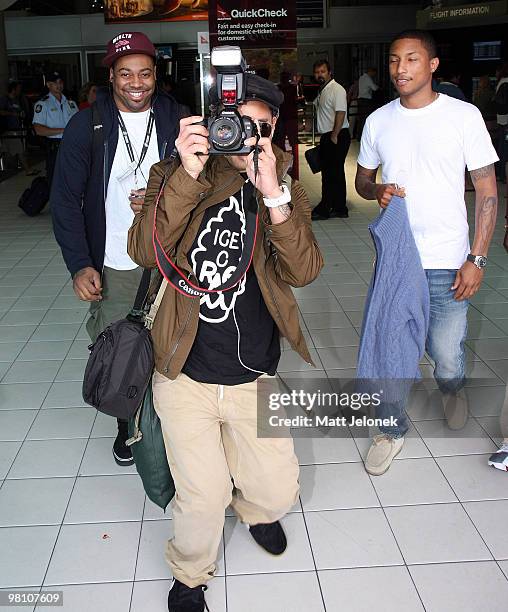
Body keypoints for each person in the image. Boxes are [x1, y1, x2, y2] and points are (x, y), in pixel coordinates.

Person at [127, 72, 323, 612]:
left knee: (278, 491)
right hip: (184, 370)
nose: (248, 140)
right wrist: (186, 176)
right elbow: (143, 250)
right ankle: (190, 577)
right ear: (215, 126)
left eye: (260, 128)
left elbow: (303, 270)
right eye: (237, 126)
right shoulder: (176, 170)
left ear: (275, 127)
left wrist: (274, 197)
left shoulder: (283, 180)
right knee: (202, 497)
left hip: (254, 371)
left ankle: (255, 511)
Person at [355, 29, 499, 476]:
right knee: (392, 348)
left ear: (432, 65)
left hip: (448, 258)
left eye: (412, 59)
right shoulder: (379, 120)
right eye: (395, 60)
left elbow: (488, 191)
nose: (400, 69)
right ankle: (390, 429)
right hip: (397, 258)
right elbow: (362, 181)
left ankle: (452, 388)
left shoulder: (464, 116)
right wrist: (377, 189)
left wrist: (476, 258)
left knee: (446, 352)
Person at [51, 32, 182, 467]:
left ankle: (173, 426)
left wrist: (161, 198)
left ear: (155, 75)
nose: (136, 82)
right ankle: (126, 425)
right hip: (113, 260)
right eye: (125, 73)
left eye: (144, 72)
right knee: (117, 348)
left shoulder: (177, 119)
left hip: (170, 259)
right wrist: (79, 264)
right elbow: (66, 201)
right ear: (111, 76)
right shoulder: (85, 125)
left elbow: (199, 185)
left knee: (173, 346)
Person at [311, 59, 350, 220]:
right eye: (317, 72)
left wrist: (334, 135)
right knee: (334, 173)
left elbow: (340, 112)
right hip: (329, 135)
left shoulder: (337, 89)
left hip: (337, 135)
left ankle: (325, 209)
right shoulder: (324, 90)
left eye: (322, 71)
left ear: (329, 72)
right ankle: (339, 207)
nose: (320, 75)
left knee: (330, 174)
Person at [32, 72, 78, 187]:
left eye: (60, 82)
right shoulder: (43, 104)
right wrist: (63, 130)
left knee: (74, 176)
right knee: (55, 179)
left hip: (72, 144)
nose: (59, 85)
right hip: (55, 146)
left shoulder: (71, 103)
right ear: (48, 85)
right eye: (54, 83)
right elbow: (39, 130)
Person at [0, 81, 38, 176]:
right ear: (13, 89)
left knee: (9, 150)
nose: (19, 91)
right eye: (18, 89)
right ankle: (27, 169)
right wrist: (13, 114)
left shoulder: (16, 100)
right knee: (19, 149)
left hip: (16, 129)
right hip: (8, 130)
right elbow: (1, 112)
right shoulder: (5, 100)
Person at [495, 62, 508, 183]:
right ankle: (503, 175)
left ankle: (501, 174)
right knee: (504, 149)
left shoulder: (502, 82)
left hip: (501, 120)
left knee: (502, 147)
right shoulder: (506, 83)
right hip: (505, 122)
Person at [356, 67, 379, 138]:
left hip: (360, 100)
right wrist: (379, 87)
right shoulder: (368, 78)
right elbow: (374, 88)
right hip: (366, 101)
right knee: (366, 118)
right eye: (374, 73)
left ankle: (359, 135)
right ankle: (364, 136)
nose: (374, 75)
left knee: (361, 118)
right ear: (371, 71)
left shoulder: (361, 77)